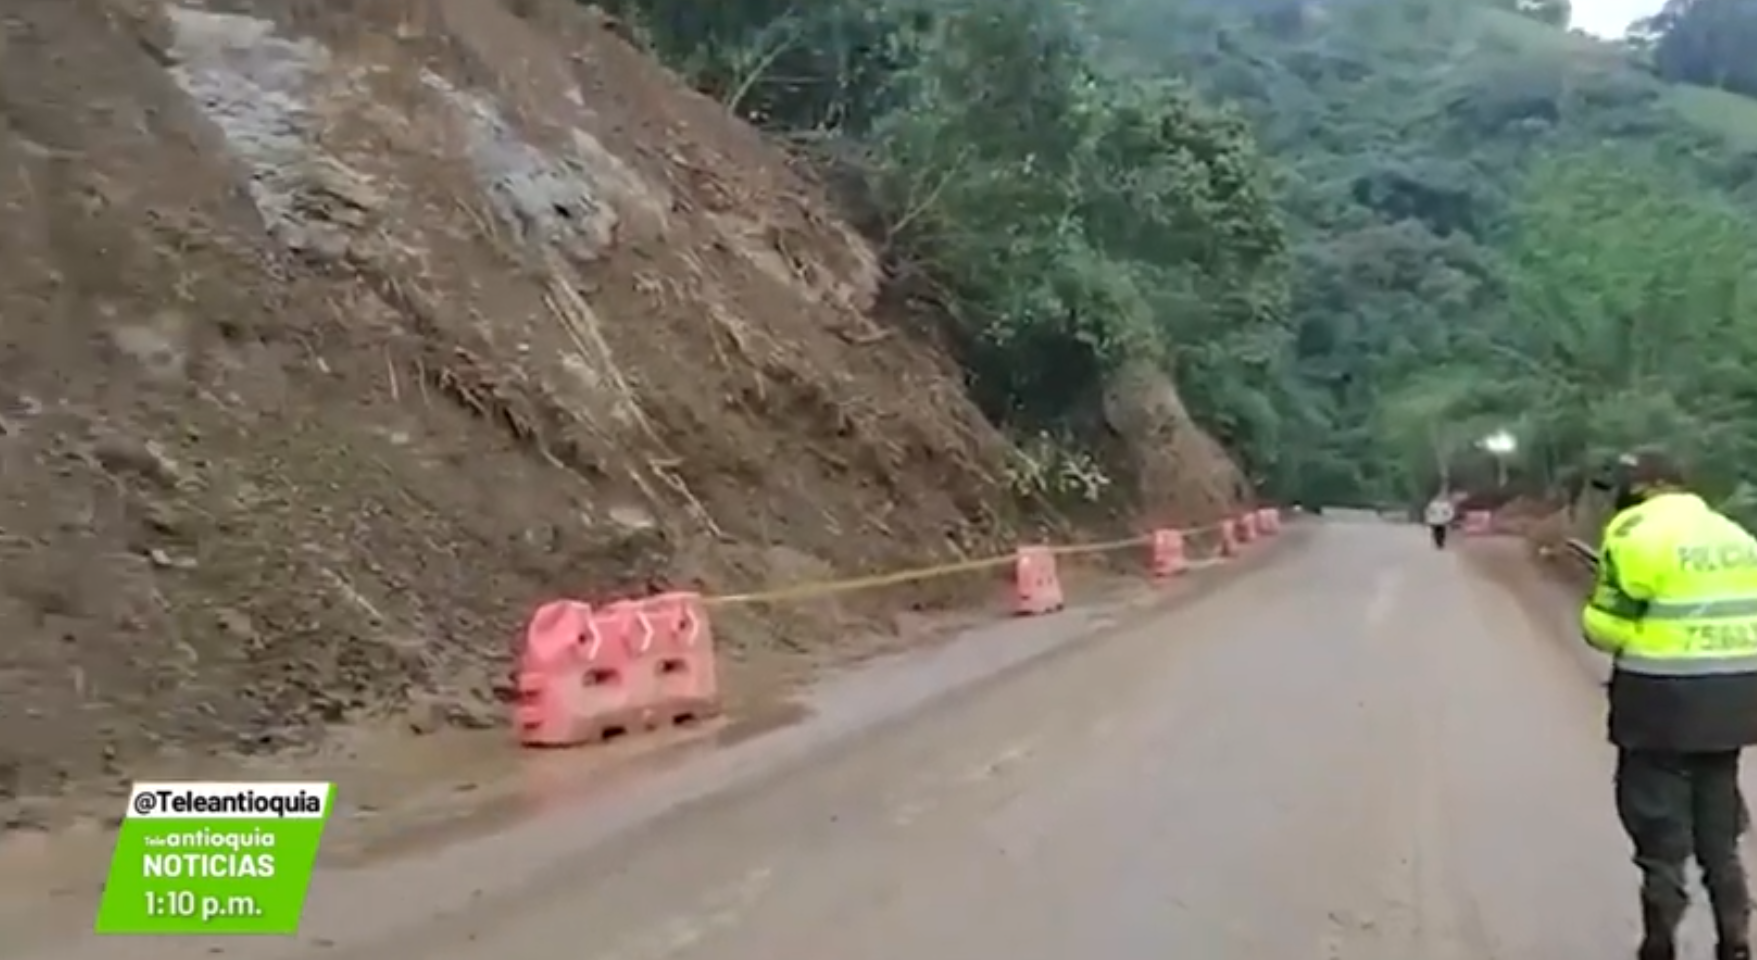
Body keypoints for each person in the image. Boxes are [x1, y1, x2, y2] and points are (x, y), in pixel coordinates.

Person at [1581, 449, 1757, 960]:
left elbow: (1607, 629)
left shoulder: (1633, 536)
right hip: (1734, 700)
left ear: (1638, 489)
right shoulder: (1733, 535)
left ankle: (1659, 945)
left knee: (1660, 836)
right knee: (1719, 836)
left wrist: (1601, 618)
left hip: (1660, 703)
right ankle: (1736, 944)